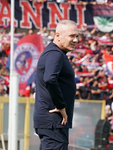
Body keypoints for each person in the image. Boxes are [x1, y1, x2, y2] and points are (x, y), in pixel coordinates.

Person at [33, 20, 78, 150]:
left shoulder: (56, 53)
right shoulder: (55, 53)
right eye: (71, 36)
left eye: (77, 36)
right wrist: (61, 106)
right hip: (54, 121)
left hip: (52, 123)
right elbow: (50, 79)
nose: (76, 40)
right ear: (57, 36)